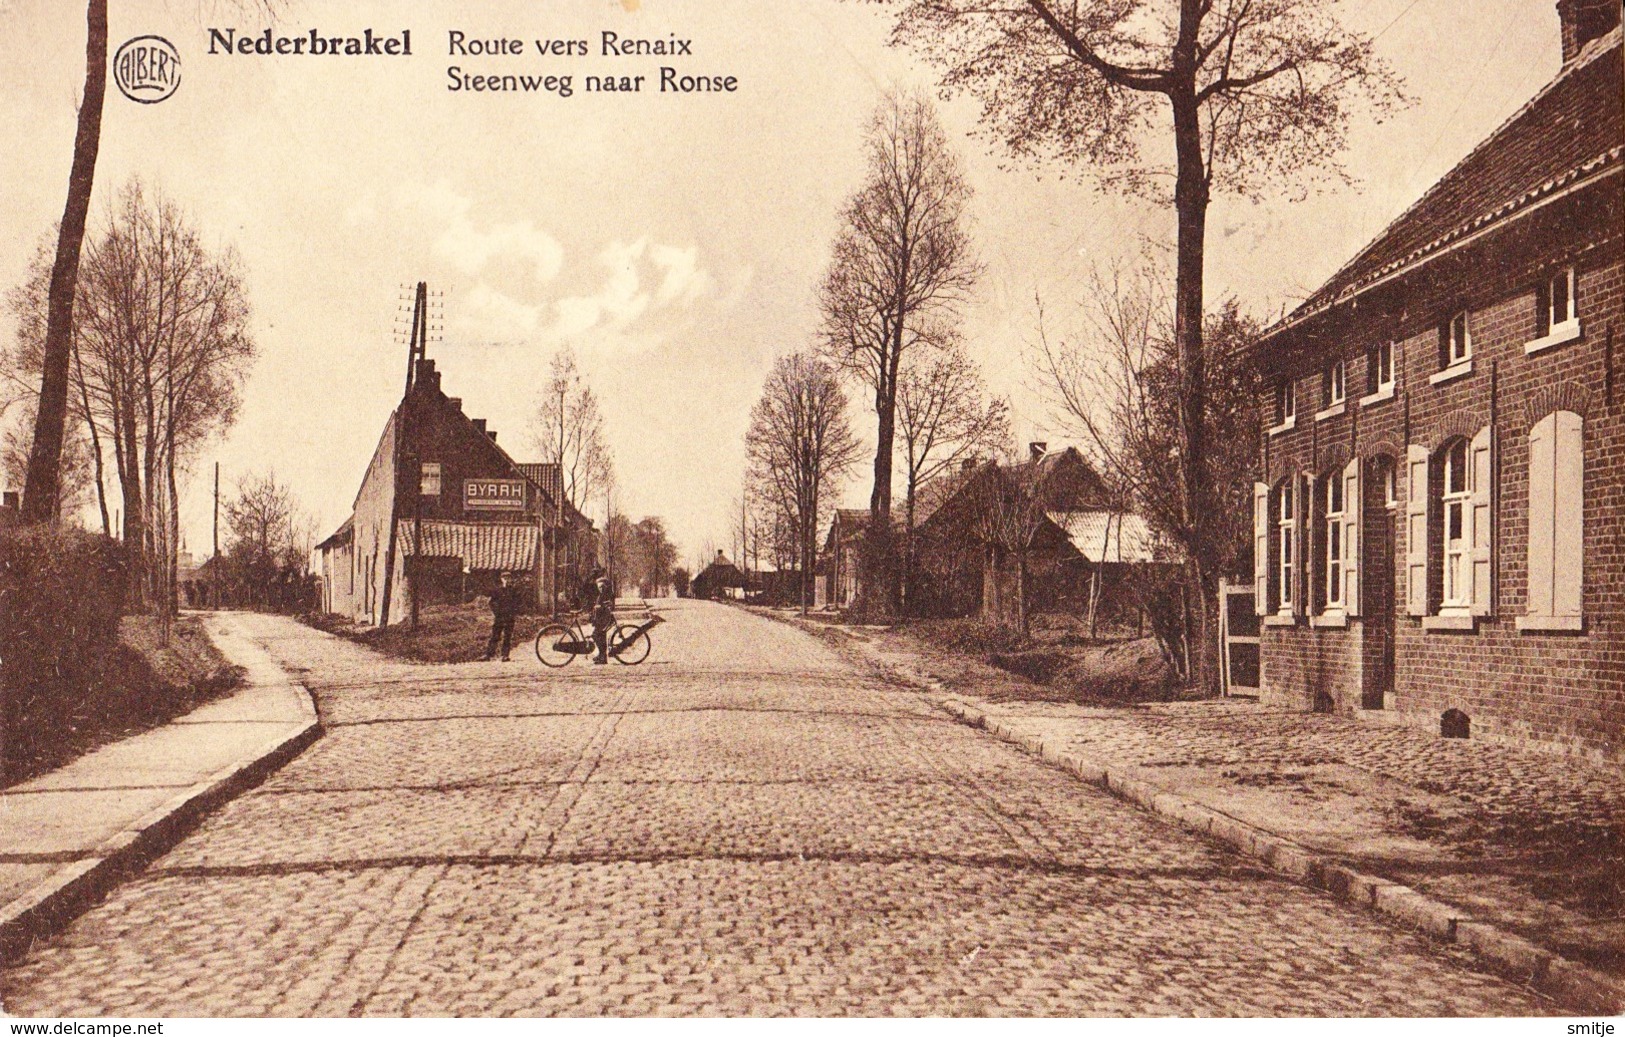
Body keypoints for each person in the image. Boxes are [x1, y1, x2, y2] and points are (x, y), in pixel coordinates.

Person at [483, 571, 523, 661]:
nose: (506, 580)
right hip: (499, 616)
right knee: (495, 635)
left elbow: (518, 603)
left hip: (509, 616)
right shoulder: (497, 590)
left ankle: (505, 655)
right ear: (501, 579)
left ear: (511, 579)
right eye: (504, 578)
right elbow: (492, 602)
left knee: (507, 636)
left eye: (508, 578)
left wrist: (514, 612)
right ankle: (489, 655)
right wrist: (496, 612)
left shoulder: (514, 590)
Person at [588, 566, 615, 664]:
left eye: (601, 587)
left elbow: (605, 604)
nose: (600, 589)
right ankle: (602, 656)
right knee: (601, 635)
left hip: (603, 617)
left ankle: (602, 656)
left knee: (596, 635)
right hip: (601, 617)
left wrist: (598, 607)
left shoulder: (603, 591)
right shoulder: (601, 593)